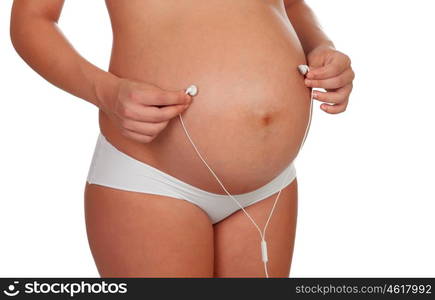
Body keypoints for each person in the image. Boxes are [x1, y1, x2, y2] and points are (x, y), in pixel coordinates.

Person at [10, 0, 354, 278]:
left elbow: (291, 5)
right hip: (154, 179)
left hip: (270, 187)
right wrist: (105, 91)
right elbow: (32, 18)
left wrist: (322, 46)